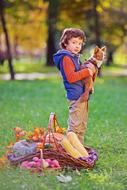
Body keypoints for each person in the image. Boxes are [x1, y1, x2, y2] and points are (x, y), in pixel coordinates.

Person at [53, 28, 95, 145]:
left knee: (81, 125)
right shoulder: (66, 58)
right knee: (75, 126)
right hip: (76, 97)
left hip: (82, 95)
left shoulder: (74, 57)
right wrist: (87, 72)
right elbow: (71, 77)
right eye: (74, 42)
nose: (77, 46)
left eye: (80, 43)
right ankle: (71, 150)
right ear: (66, 43)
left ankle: (79, 150)